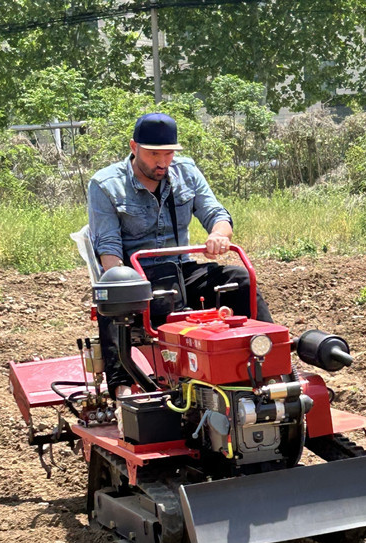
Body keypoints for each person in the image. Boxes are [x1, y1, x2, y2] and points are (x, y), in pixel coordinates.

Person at [87, 112, 272, 400]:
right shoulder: (105, 185)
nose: (162, 162)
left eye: (169, 153)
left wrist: (218, 235)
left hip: (182, 269)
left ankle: (268, 362)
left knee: (240, 279)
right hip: (138, 275)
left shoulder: (187, 172)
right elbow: (108, 248)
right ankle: (123, 390)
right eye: (154, 154)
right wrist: (122, 282)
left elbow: (216, 213)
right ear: (133, 148)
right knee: (115, 298)